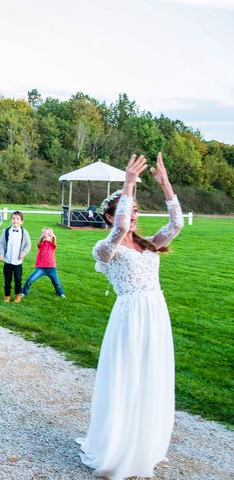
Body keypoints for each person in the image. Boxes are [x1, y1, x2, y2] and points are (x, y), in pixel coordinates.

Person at [77, 153, 183, 479]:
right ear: (108, 217)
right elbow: (122, 226)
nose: (133, 216)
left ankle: (145, 443)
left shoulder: (149, 244)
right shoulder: (105, 248)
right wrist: (127, 186)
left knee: (151, 375)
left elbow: (176, 224)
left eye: (137, 211)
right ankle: (120, 445)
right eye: (127, 210)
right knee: (128, 377)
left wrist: (166, 185)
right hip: (130, 316)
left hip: (156, 313)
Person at [20, 227, 64, 298]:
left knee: (57, 282)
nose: (46, 235)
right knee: (30, 280)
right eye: (44, 233)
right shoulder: (41, 244)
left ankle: (60, 293)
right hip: (41, 268)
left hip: (51, 267)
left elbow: (55, 243)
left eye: (48, 234)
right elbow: (39, 243)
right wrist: (43, 237)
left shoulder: (52, 244)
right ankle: (23, 292)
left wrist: (53, 237)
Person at [0, 211, 31, 302]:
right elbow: (1, 245)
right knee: (7, 280)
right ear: (11, 220)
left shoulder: (24, 232)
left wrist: (23, 253)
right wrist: (1, 255)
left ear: (21, 221)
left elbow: (28, 245)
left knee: (18, 280)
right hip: (7, 260)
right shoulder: (6, 231)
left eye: (17, 219)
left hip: (18, 261)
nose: (15, 220)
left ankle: (17, 295)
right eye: (13, 218)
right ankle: (7, 295)